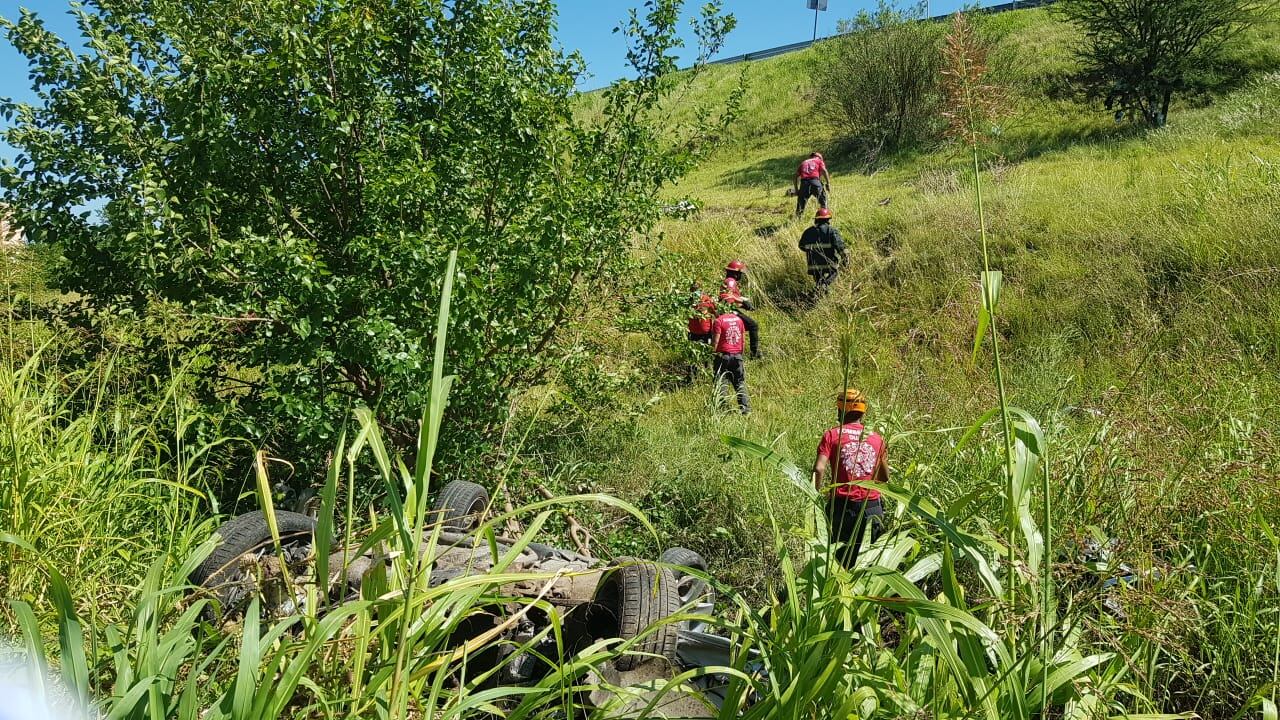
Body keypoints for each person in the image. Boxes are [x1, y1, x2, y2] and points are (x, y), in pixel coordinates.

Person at [813, 389, 889, 567]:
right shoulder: (877, 439)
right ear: (862, 412)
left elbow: (818, 468)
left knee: (839, 564)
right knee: (868, 565)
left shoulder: (832, 435)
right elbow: (884, 477)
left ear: (841, 411)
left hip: (842, 508)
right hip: (872, 508)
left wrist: (816, 495)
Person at [711, 300, 750, 414]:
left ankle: (722, 409)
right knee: (739, 383)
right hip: (737, 355)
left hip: (723, 355)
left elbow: (716, 341)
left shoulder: (719, 321)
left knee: (721, 382)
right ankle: (746, 410)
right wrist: (740, 354)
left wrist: (712, 353)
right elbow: (743, 339)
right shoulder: (739, 320)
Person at [798, 208, 848, 296]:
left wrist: (811, 250)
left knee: (818, 281)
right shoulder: (831, 231)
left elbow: (801, 246)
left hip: (813, 265)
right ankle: (824, 286)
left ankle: (818, 294)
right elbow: (840, 247)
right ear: (828, 220)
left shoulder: (808, 232)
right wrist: (845, 258)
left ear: (816, 219)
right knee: (835, 272)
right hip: (829, 263)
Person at [721, 278, 761, 359]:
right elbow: (728, 298)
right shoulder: (731, 281)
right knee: (753, 326)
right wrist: (743, 302)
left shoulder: (730, 280)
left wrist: (743, 305)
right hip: (729, 310)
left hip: (728, 309)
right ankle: (754, 353)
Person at [794, 151, 831, 218]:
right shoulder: (819, 160)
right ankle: (825, 217)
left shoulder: (803, 162)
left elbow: (795, 176)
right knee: (823, 201)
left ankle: (797, 220)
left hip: (804, 184)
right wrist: (828, 183)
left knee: (800, 206)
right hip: (815, 182)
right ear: (819, 157)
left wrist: (797, 190)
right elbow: (824, 171)